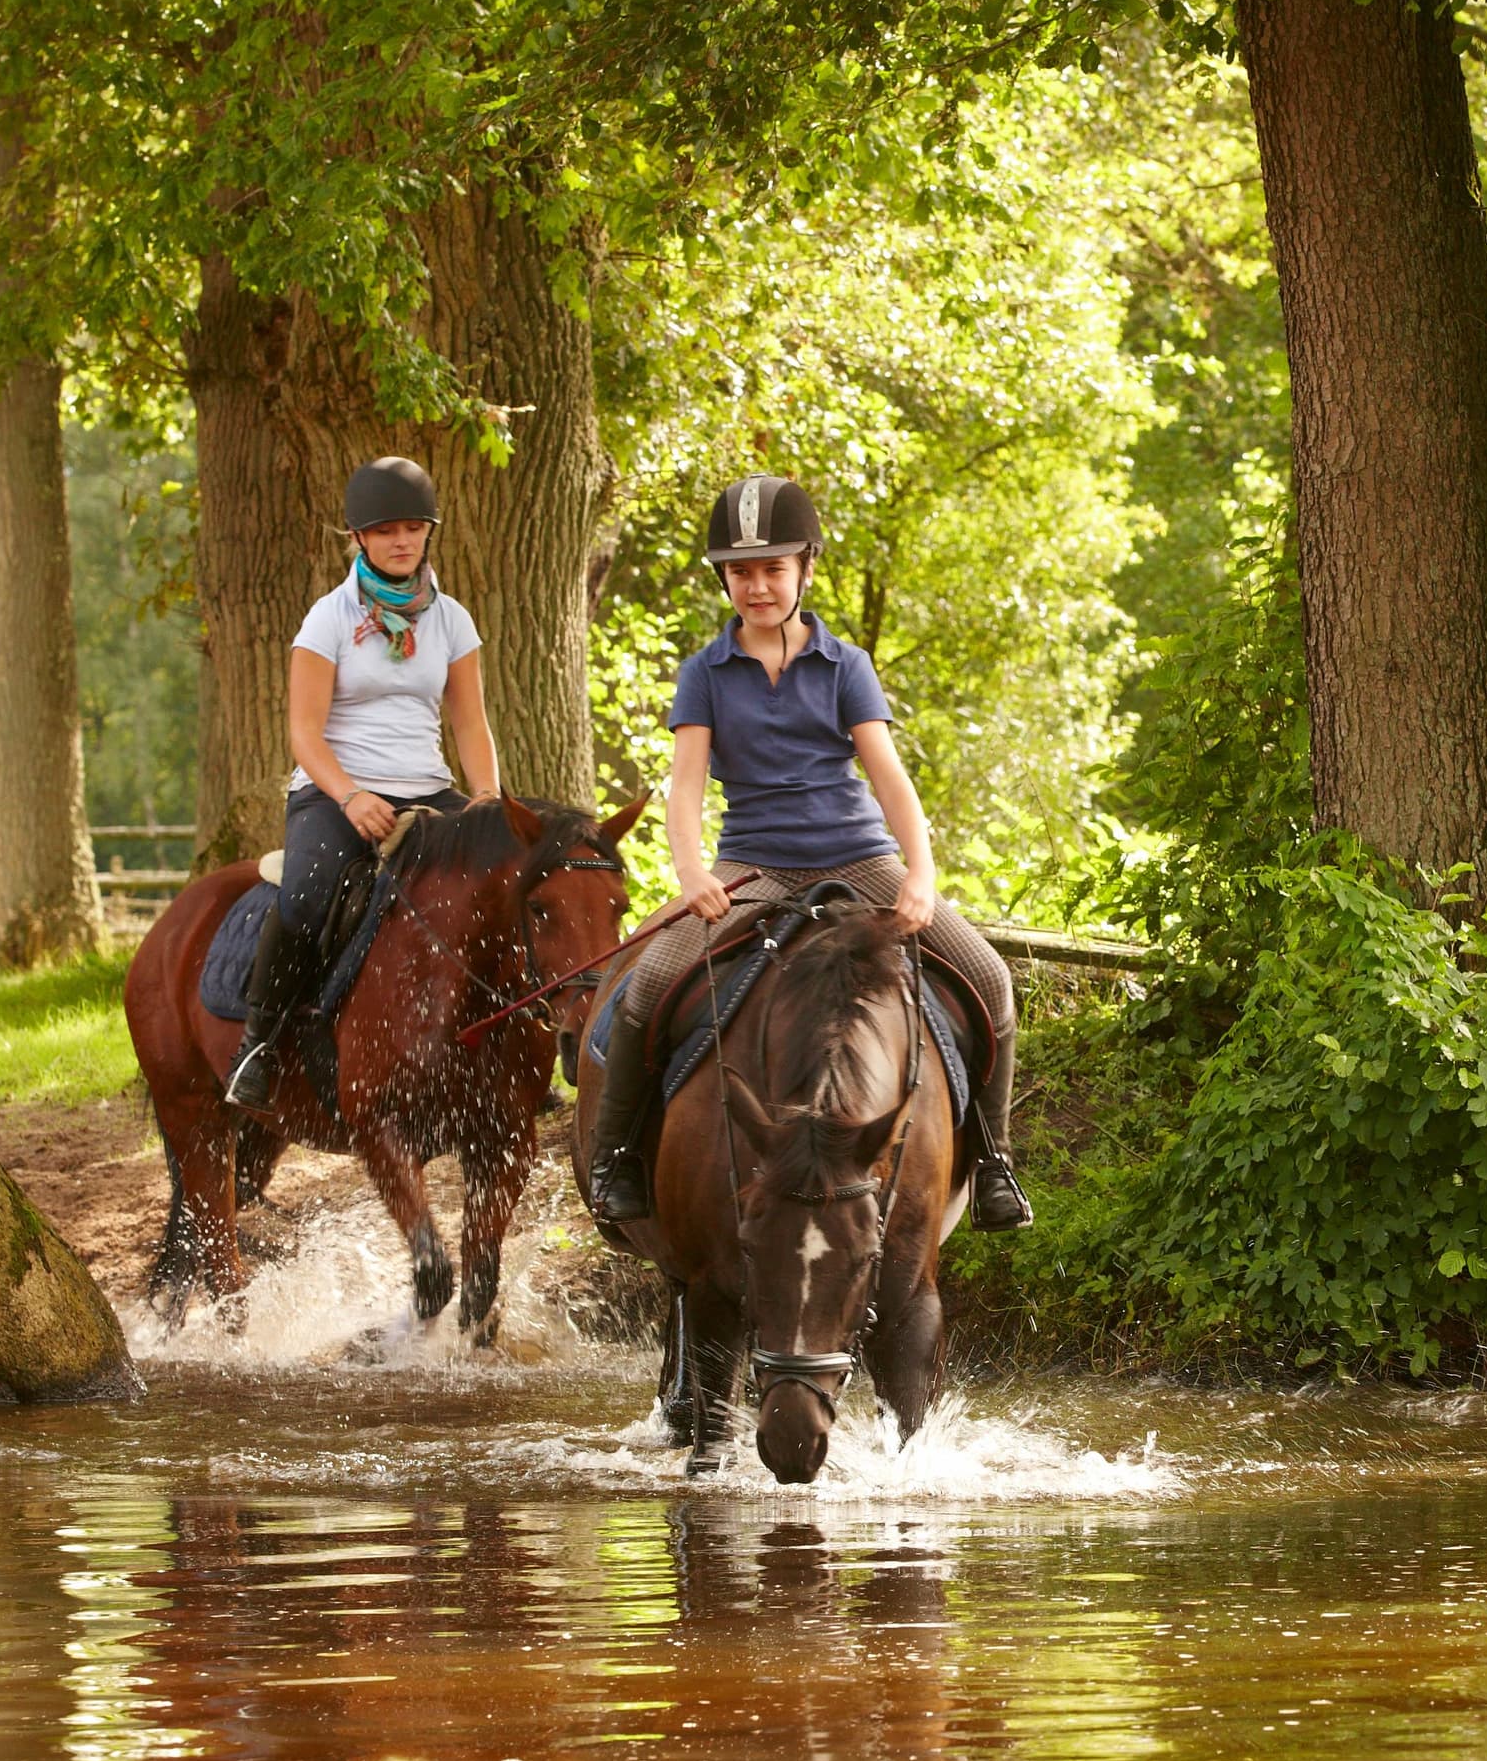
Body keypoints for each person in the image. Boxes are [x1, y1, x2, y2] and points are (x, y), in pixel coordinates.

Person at [582, 472, 1034, 1231]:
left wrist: (919, 874)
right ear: (725, 579)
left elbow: (889, 781)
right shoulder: (704, 673)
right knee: (644, 987)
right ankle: (615, 1160)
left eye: (772, 569)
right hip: (754, 865)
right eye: (741, 572)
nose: (756, 587)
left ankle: (994, 1163)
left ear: (805, 570)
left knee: (988, 977)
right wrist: (691, 872)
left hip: (857, 856)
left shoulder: (845, 664)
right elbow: (685, 789)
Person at [225, 455, 499, 1109]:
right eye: (386, 531)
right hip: (334, 788)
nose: (402, 541)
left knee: (506, 878)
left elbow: (469, 723)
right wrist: (349, 795)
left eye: (413, 527)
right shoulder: (328, 619)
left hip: (427, 788)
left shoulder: (452, 620)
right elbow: (304, 732)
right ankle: (259, 1047)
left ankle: (503, 1045)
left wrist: (487, 799)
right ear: (359, 539)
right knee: (306, 894)